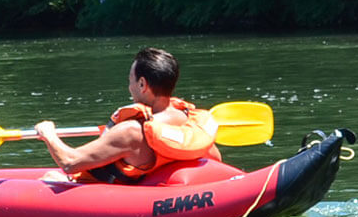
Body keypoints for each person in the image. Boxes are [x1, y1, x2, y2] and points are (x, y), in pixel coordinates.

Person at [34, 47, 222, 184]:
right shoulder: (191, 123)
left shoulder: (131, 131)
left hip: (102, 194)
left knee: (49, 178)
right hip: (162, 191)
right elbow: (216, 159)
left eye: (130, 81)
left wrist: (48, 134)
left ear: (142, 84)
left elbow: (69, 162)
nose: (129, 87)